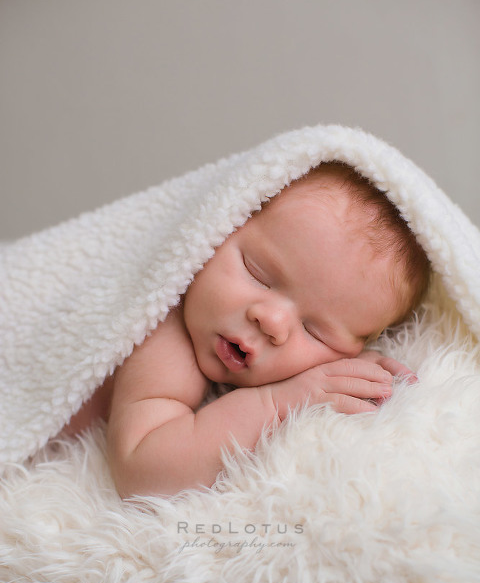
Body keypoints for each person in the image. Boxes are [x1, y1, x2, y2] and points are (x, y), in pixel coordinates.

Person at [66, 162, 430, 498]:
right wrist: (279, 401)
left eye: (316, 332)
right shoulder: (165, 329)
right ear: (221, 226)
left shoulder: (230, 322)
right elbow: (142, 472)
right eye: (258, 273)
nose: (272, 321)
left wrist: (341, 373)